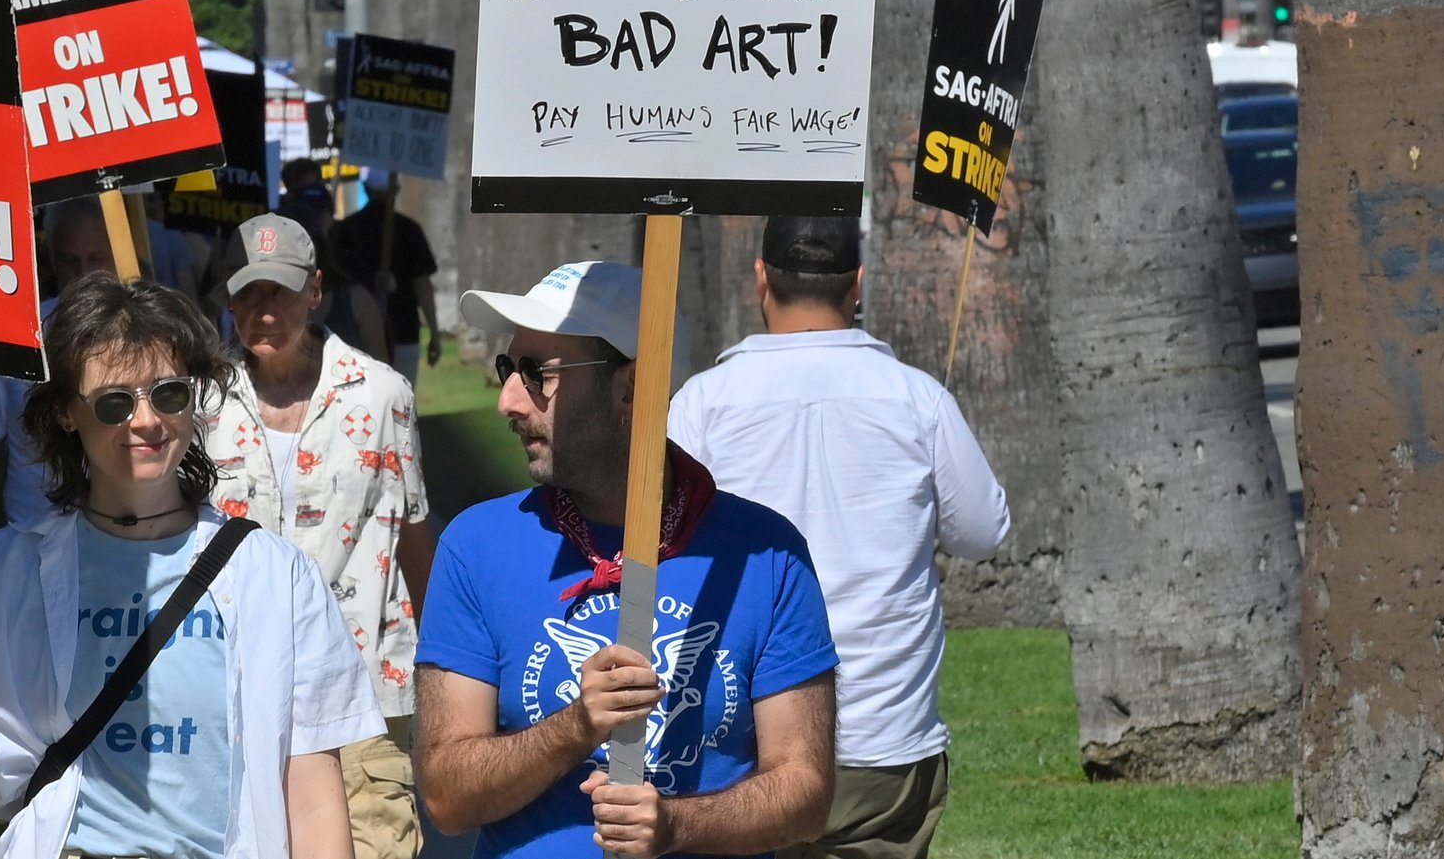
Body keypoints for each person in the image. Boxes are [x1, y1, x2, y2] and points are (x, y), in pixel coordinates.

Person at [0, 275, 384, 859]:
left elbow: (315, 806)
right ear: (66, 410)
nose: (147, 421)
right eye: (115, 401)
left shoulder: (280, 579)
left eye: (169, 393)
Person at [415, 260, 840, 859]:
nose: (508, 400)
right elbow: (446, 798)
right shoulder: (475, 546)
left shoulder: (764, 554)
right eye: (509, 368)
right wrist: (575, 727)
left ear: (631, 388)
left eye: (538, 373)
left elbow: (807, 795)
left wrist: (676, 827)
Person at [668, 216, 1011, 859]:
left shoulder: (701, 404)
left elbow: (662, 547)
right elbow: (983, 530)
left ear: (761, 278)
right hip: (881, 738)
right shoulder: (917, 399)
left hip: (745, 738)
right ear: (857, 283)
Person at [203, 214, 433, 859]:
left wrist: (446, 673)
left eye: (278, 290)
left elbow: (413, 536)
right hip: (233, 687)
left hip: (362, 688)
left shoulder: (383, 395)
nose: (264, 310)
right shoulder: (201, 402)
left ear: (315, 290)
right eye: (249, 292)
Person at [0, 197, 117, 547]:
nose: (84, 275)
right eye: (71, 261)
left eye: (97, 259)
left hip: (120, 543)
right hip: (31, 544)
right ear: (52, 260)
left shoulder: (143, 338)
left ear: (117, 254)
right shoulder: (18, 338)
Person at [329, 170, 441, 388]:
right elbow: (423, 287)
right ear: (395, 190)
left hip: (354, 332)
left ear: (366, 189)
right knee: (401, 402)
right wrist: (434, 334)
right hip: (400, 332)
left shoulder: (344, 230)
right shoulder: (409, 229)